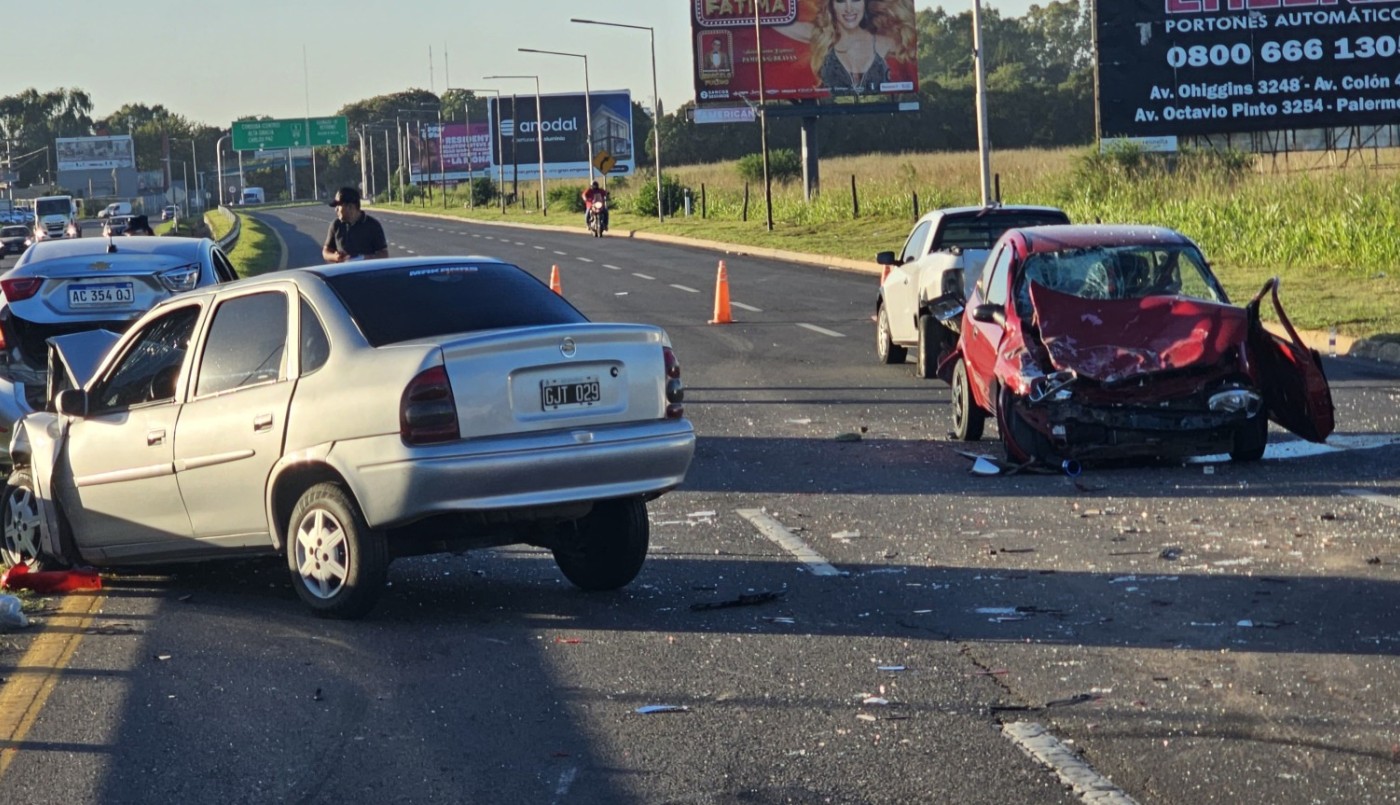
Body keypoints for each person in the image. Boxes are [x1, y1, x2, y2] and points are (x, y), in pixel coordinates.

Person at [774, 0, 916, 95]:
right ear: (832, 6)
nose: (849, 8)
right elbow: (775, 21)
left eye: (855, 0)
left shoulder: (888, 43)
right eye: (841, 0)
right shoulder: (823, 37)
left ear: (865, 3)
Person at [322, 186, 388, 263]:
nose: (336, 209)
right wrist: (336, 257)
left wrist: (365, 258)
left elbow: (384, 254)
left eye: (339, 206)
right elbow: (326, 251)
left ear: (350, 207)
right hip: (344, 273)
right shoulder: (336, 225)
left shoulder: (373, 225)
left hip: (366, 272)